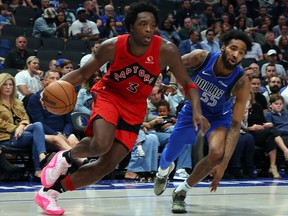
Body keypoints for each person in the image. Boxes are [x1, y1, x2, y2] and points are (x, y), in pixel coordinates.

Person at [34, 2, 209, 215]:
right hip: (110, 95)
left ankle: (49, 193)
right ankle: (65, 158)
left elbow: (188, 84)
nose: (148, 29)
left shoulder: (166, 50)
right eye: (142, 24)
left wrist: (197, 111)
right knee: (100, 144)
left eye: (152, 25)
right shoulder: (113, 46)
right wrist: (49, 90)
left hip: (135, 107)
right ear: (130, 27)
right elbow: (81, 74)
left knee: (107, 164)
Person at [154, 29, 253, 213]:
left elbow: (235, 124)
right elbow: (175, 63)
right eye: (233, 48)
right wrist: (174, 84)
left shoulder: (241, 82)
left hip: (217, 118)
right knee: (172, 150)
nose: (236, 54)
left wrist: (223, 164)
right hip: (192, 110)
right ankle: (162, 172)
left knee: (216, 153)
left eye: (241, 52)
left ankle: (181, 192)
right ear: (223, 47)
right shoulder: (201, 57)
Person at [0, 73, 50, 178]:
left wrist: (21, 126)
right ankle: (39, 166)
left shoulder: (18, 102)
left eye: (11, 84)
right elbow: (1, 123)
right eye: (5, 84)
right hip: (7, 137)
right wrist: (15, 129)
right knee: (36, 136)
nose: (8, 87)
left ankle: (41, 158)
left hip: (20, 133)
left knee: (37, 125)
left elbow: (25, 118)